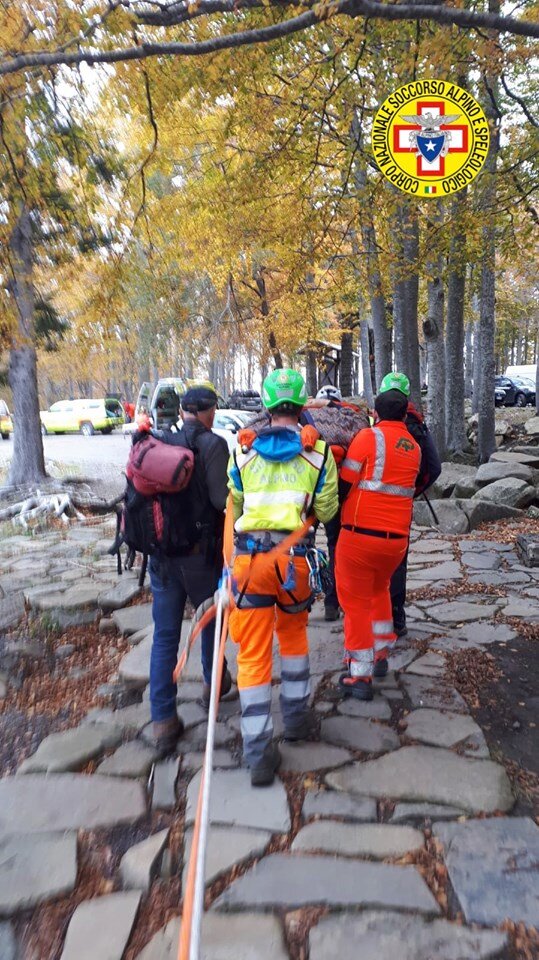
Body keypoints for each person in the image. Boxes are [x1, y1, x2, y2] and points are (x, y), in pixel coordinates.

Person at [228, 369, 339, 786]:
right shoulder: (320, 453)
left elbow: (235, 502)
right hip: (295, 564)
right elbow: (326, 511)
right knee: (292, 637)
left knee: (253, 655)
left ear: (268, 405)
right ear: (302, 403)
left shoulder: (243, 450)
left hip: (250, 565)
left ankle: (258, 752)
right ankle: (296, 721)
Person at [149, 385, 232, 754]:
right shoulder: (213, 445)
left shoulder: (158, 441)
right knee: (211, 626)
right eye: (213, 409)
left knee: (165, 636)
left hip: (161, 557)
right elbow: (220, 499)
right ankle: (213, 692)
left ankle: (163, 721)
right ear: (207, 411)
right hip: (200, 556)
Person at [335, 377, 421, 700]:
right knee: (379, 589)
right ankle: (381, 654)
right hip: (396, 542)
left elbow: (345, 483)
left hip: (359, 537)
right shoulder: (413, 447)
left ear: (375, 412)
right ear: (404, 415)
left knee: (355, 601)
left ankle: (360, 675)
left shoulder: (367, 438)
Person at [383, 374, 442, 636]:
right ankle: (397, 615)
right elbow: (434, 467)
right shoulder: (417, 424)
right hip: (402, 505)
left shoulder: (376, 422)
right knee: (398, 560)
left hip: (372, 504)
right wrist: (413, 491)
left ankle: (372, 614)